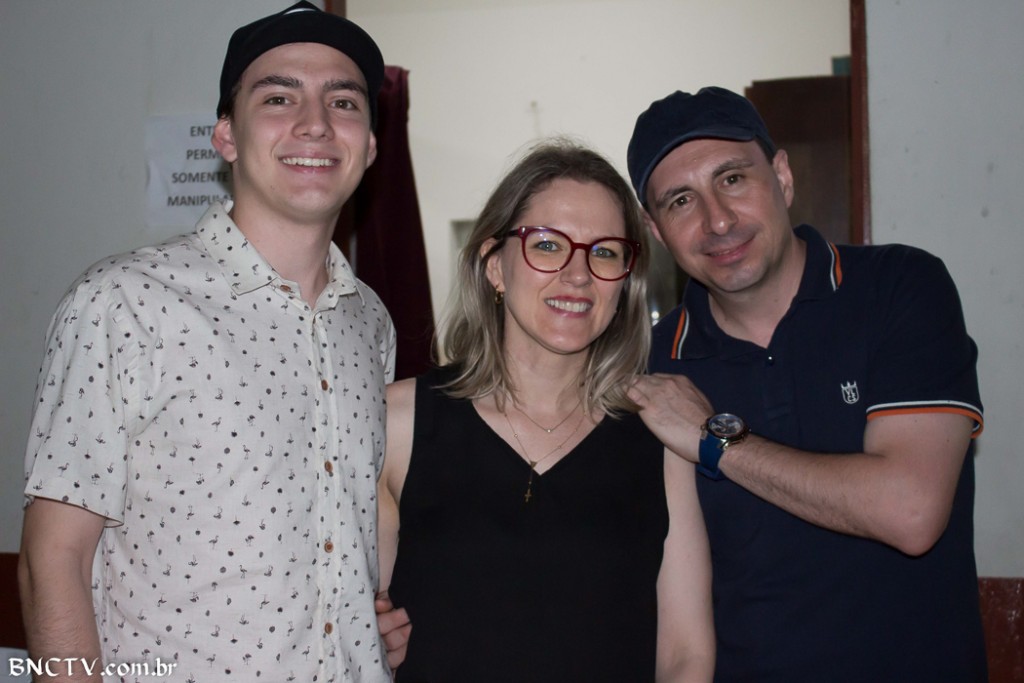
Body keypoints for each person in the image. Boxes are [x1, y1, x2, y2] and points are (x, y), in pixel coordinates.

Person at [19, 3, 398, 681]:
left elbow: (344, 533)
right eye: (278, 97)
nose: (315, 122)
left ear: (368, 145)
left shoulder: (369, 322)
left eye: (343, 102)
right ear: (226, 136)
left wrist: (362, 627)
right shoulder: (124, 304)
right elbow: (53, 561)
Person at [625, 86, 987, 682]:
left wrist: (715, 440)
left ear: (783, 177)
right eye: (681, 200)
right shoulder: (653, 368)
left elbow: (911, 511)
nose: (718, 220)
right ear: (656, 231)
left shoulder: (899, 288)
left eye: (733, 179)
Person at [376, 140, 714, 682]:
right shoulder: (398, 422)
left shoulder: (658, 434)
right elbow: (354, 622)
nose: (579, 275)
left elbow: (686, 656)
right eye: (549, 245)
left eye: (604, 252)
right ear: (495, 266)